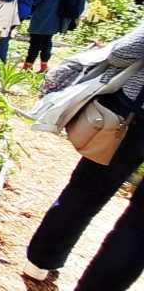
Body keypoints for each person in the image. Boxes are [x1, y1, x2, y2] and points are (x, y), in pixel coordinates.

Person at [23, 22, 144, 290]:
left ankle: (41, 260)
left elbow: (125, 51)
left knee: (86, 192)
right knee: (140, 228)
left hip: (134, 120)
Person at [22, 0, 72, 73]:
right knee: (47, 41)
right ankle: (44, 66)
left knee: (35, 41)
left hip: (43, 14)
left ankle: (27, 67)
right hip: (57, 16)